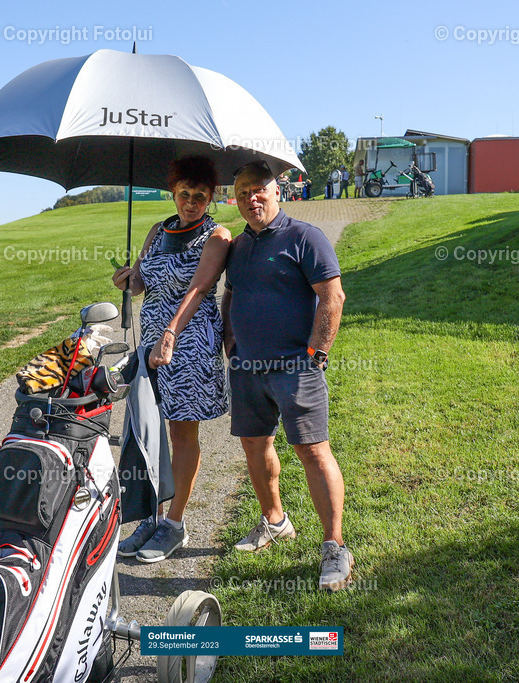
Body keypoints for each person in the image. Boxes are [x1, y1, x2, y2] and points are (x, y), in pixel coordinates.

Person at [221, 161, 353, 592]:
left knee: (313, 453)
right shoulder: (238, 247)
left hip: (297, 368)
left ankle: (334, 547)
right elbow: (231, 295)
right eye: (242, 193)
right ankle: (275, 522)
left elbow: (333, 297)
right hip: (247, 369)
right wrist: (231, 344)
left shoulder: (304, 238)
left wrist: (317, 354)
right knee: (255, 447)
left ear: (278, 192)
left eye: (259, 190)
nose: (251, 199)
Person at [112, 156, 231, 563]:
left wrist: (170, 335)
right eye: (185, 194)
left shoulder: (217, 236)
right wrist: (130, 278)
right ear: (173, 193)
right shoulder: (157, 230)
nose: (192, 202)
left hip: (190, 343)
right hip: (153, 343)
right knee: (148, 429)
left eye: (200, 196)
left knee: (181, 433)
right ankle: (151, 514)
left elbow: (198, 290)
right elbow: (145, 284)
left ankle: (175, 525)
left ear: (211, 197)